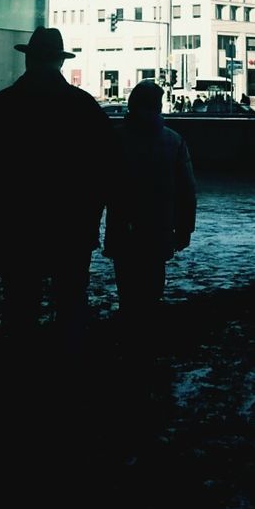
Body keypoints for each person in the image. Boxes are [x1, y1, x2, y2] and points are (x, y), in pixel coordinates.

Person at [0, 26, 116, 354]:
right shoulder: (83, 106)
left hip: (17, 224)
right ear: (60, 62)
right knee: (71, 302)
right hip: (71, 226)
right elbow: (109, 166)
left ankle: (22, 371)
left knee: (19, 304)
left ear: (28, 60)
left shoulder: (5, 104)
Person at [103, 80, 196, 352]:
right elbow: (186, 191)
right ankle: (148, 337)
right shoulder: (174, 140)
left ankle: (128, 336)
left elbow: (100, 185)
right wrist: (184, 229)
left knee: (127, 286)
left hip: (123, 227)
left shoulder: (116, 138)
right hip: (159, 228)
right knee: (153, 283)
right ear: (158, 107)